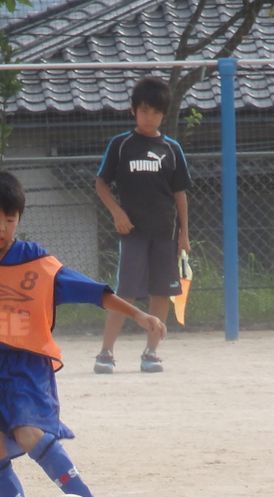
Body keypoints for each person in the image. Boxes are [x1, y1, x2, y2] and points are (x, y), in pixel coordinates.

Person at [0, 169, 165, 497]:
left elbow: (95, 293)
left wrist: (140, 317)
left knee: (31, 433)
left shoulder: (38, 264)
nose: (1, 228)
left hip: (29, 368)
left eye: (9, 220)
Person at [93, 75, 192, 374]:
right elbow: (100, 183)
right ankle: (106, 352)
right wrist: (117, 213)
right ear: (134, 110)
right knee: (126, 293)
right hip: (133, 235)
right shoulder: (121, 145)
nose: (150, 117)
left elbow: (180, 193)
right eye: (145, 110)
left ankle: (151, 352)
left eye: (156, 112)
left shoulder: (172, 150)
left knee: (161, 293)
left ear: (164, 114)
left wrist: (184, 233)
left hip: (165, 234)